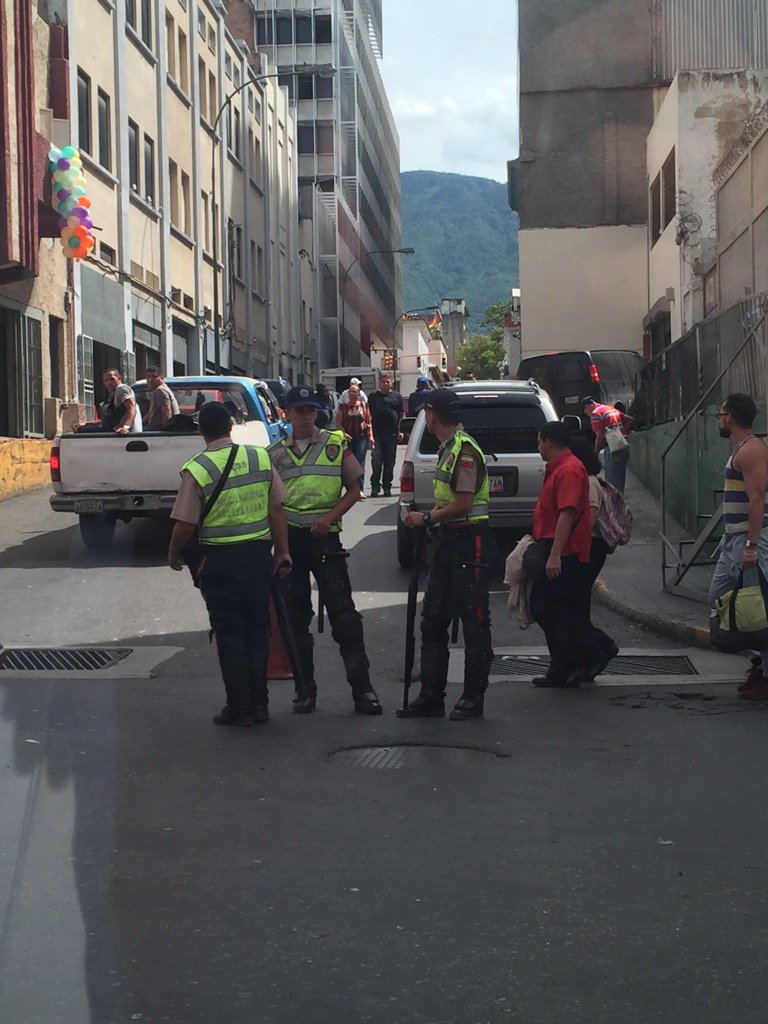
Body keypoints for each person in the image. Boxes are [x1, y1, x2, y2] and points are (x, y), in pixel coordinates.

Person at [168, 402, 292, 726]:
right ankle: (260, 705)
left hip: (220, 562)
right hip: (257, 559)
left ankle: (239, 706)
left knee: (229, 632)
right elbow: (277, 509)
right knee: (257, 629)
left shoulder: (197, 468)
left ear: (201, 432)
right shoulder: (259, 457)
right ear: (231, 427)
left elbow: (185, 524)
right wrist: (282, 552)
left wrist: (172, 554)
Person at [268, 386, 382, 716]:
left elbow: (354, 490)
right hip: (291, 542)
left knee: (345, 617)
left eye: (311, 410)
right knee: (295, 620)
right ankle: (305, 691)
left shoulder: (335, 444)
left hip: (326, 540)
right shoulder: (273, 454)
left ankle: (363, 690)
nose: (306, 416)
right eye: (299, 410)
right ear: (286, 414)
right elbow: (271, 504)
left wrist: (329, 518)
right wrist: (279, 548)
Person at [400, 388, 495, 720]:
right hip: (449, 539)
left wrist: (426, 518)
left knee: (474, 621)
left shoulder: (464, 450)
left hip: (470, 540)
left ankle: (472, 698)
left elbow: (464, 503)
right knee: (434, 620)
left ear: (430, 415)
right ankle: (431, 697)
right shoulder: (448, 448)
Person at [528, 421, 601, 688]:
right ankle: (565, 664)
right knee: (553, 609)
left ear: (548, 442)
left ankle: (590, 652)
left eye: (539, 442)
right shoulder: (559, 468)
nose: (538, 447)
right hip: (557, 547)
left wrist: (555, 555)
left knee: (548, 608)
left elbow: (567, 514)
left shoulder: (569, 469)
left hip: (565, 550)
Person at [708, 394, 768, 701]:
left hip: (749, 540)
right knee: (719, 606)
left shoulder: (752, 450)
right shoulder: (743, 449)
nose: (719, 419)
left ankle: (764, 674)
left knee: (758, 610)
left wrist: (751, 547)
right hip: (733, 540)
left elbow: (757, 499)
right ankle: (758, 663)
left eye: (721, 413)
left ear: (730, 416)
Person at [569, 436, 619, 678]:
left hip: (590, 548)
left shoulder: (589, 483)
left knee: (576, 606)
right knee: (578, 606)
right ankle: (590, 654)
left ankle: (601, 647)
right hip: (587, 548)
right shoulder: (583, 480)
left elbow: (587, 521)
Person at [581, 396, 633, 493]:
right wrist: (622, 433)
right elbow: (630, 419)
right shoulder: (609, 408)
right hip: (622, 445)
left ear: (588, 406)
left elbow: (599, 436)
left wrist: (595, 453)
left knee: (612, 485)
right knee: (620, 480)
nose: (586, 413)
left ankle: (615, 502)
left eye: (584, 410)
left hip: (612, 448)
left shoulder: (595, 414)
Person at [368, 374, 403, 497]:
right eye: (383, 381)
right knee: (376, 461)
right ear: (379, 383)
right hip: (377, 434)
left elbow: (401, 414)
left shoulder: (397, 397)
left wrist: (401, 430)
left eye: (388, 382)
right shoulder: (373, 397)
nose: (386, 384)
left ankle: (387, 487)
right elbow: (368, 415)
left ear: (392, 384)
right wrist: (370, 433)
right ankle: (375, 486)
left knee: (390, 462)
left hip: (392, 435)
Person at [336, 383, 373, 497]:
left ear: (358, 394)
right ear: (348, 394)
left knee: (360, 462)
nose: (352, 394)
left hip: (361, 437)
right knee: (347, 464)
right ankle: (349, 489)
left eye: (355, 392)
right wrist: (344, 433)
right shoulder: (343, 407)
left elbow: (368, 422)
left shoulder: (363, 405)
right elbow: (338, 423)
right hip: (348, 439)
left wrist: (371, 436)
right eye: (350, 391)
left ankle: (359, 489)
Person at [78, 368, 143, 433]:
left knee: (80, 431)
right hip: (114, 430)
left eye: (112, 379)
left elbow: (132, 409)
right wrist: (85, 424)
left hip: (122, 432)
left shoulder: (121, 388)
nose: (109, 382)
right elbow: (105, 422)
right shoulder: (116, 395)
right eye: (106, 380)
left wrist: (125, 427)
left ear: (119, 378)